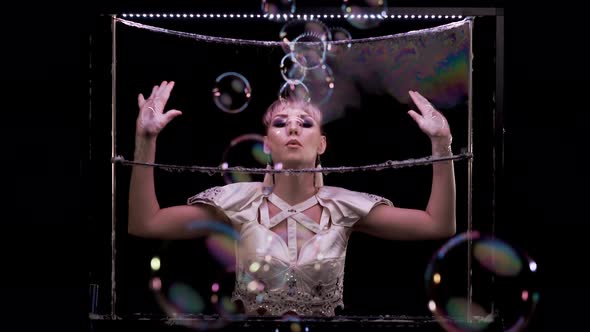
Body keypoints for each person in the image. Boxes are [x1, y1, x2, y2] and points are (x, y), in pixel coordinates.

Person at [128, 80, 456, 317]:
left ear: (322, 143)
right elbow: (146, 223)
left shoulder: (345, 206)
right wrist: (145, 139)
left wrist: (442, 144)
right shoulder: (236, 202)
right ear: (267, 144)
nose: (294, 129)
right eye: (281, 123)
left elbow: (437, 225)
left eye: (306, 122)